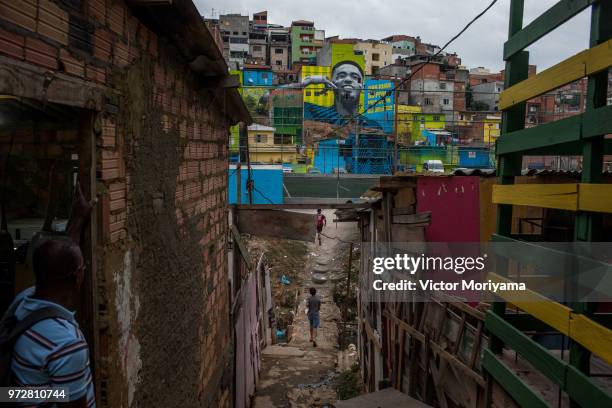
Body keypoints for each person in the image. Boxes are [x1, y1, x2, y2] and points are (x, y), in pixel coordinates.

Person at [4, 181, 96, 407]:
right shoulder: (66, 344)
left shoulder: (23, 301)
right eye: (83, 268)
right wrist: (55, 393)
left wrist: (77, 221)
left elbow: (6, 394)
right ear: (76, 277)